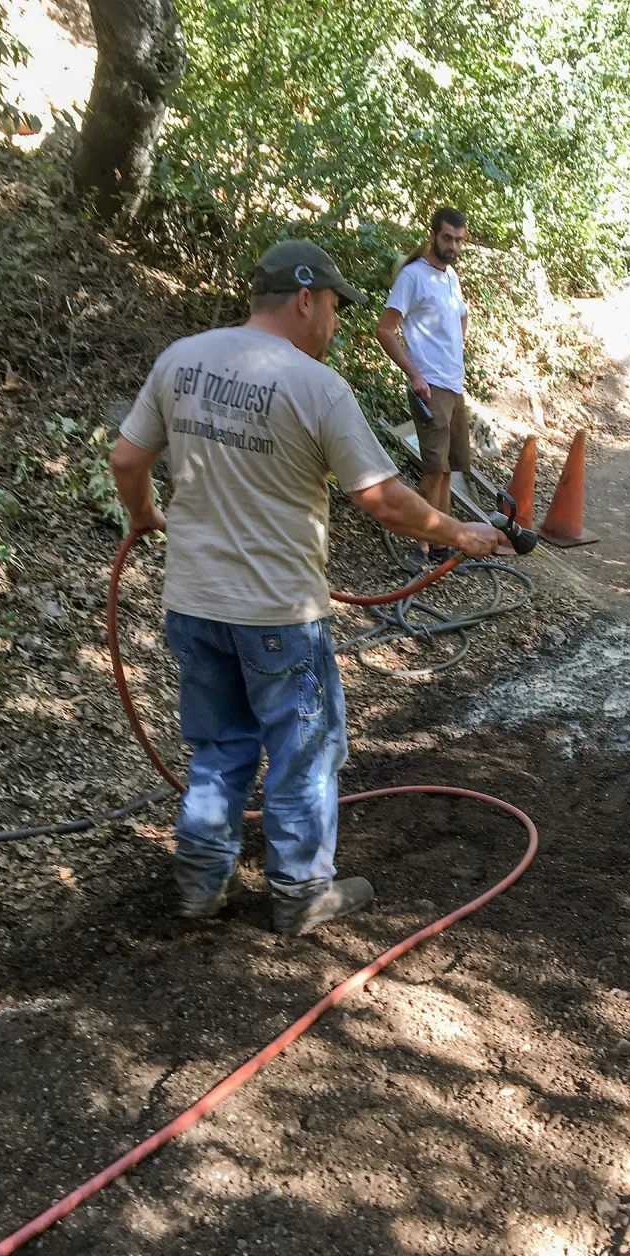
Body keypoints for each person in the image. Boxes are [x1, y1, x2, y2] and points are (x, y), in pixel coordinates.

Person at [111, 238, 502, 934]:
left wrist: (145, 516)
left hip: (192, 604)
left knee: (220, 745)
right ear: (304, 300)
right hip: (277, 613)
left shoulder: (182, 359)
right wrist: (459, 533)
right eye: (332, 307)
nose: (335, 322)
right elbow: (382, 500)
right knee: (304, 748)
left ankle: (201, 883)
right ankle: (299, 892)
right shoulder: (318, 387)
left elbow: (127, 457)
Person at [376, 206, 470, 575]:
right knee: (432, 471)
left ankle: (443, 547)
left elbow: (461, 315)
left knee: (447, 470)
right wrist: (415, 374)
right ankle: (423, 547)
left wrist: (455, 349)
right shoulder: (413, 276)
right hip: (429, 385)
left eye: (459, 240)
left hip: (453, 384)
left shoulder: (451, 278)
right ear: (433, 235)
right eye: (447, 237)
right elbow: (385, 329)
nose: (453, 245)